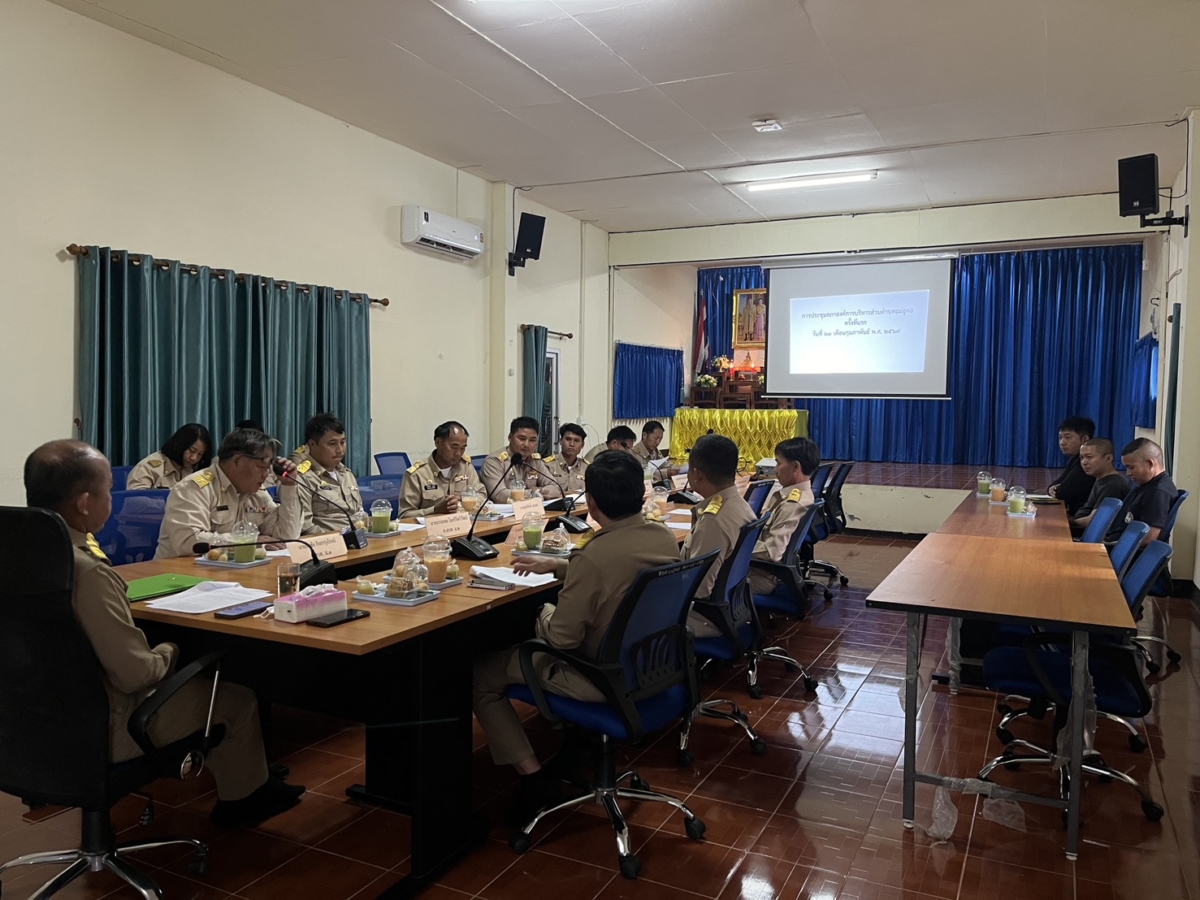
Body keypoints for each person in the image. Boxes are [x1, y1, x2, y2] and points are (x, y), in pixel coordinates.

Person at [24, 440, 304, 827]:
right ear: (85, 503)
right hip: (102, 727)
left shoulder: (20, 555)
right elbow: (136, 674)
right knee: (238, 698)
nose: (112, 500)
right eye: (109, 491)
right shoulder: (87, 573)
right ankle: (245, 801)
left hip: (27, 724)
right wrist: (172, 648)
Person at [476, 451, 680, 821]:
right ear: (641, 494)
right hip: (649, 665)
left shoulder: (595, 556)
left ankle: (534, 779)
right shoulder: (663, 537)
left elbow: (561, 640)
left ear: (591, 502)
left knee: (482, 674)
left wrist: (541, 611)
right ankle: (577, 743)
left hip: (596, 676)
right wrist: (559, 566)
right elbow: (619, 570)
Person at [155, 427, 302, 559]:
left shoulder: (256, 493)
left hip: (228, 572)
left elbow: (287, 536)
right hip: (178, 574)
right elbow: (187, 542)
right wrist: (245, 542)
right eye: (261, 467)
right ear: (237, 461)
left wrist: (289, 485)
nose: (266, 475)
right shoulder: (194, 488)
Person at [680, 434, 755, 638]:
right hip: (732, 607)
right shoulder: (739, 504)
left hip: (704, 616)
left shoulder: (713, 522)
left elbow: (698, 589)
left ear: (696, 474)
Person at [748, 437, 819, 595]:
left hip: (759, 576)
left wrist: (736, 546)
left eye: (778, 463)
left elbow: (772, 551)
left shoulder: (792, 504)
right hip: (761, 571)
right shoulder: (802, 495)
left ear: (795, 467)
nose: (775, 470)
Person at [290, 413, 363, 534]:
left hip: (359, 537)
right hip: (328, 541)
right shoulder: (301, 478)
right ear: (313, 444)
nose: (340, 450)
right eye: (332, 444)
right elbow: (305, 528)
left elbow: (360, 514)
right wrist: (336, 539)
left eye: (343, 442)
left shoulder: (346, 474)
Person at [398, 420, 483, 517]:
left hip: (464, 524)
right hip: (431, 526)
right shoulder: (417, 474)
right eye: (454, 447)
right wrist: (435, 510)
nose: (458, 453)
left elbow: (482, 496)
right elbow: (405, 515)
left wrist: (464, 498)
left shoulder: (466, 467)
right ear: (438, 443)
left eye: (463, 448)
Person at [1106, 438, 1178, 546]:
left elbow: (1149, 538)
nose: (1128, 473)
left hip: (1122, 551)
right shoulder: (1146, 484)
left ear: (1150, 463)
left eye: (1131, 467)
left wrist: (1110, 545)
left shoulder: (1158, 492)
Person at [480, 416, 562, 502]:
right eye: (522, 439)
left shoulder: (535, 461)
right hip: (506, 509)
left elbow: (556, 486)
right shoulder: (494, 461)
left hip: (532, 508)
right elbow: (499, 495)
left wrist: (541, 491)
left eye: (532, 440)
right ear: (510, 437)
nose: (526, 444)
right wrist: (532, 493)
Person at [1069, 438, 1131, 537]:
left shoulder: (1113, 486)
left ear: (1108, 459)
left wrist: (1068, 521)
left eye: (1089, 457)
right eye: (1081, 458)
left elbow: (1092, 522)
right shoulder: (1100, 478)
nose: (1084, 462)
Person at [126, 424, 214, 490]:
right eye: (192, 450)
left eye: (200, 454)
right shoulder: (148, 467)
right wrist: (172, 502)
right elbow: (134, 500)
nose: (194, 458)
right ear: (179, 444)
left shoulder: (198, 470)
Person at [1047, 416, 1096, 517]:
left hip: (1079, 519)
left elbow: (1062, 492)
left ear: (1085, 439)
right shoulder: (1075, 459)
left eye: (1068, 437)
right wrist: (1052, 488)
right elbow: (1056, 484)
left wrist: (1056, 489)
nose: (1062, 442)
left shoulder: (1087, 463)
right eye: (1060, 438)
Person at [541, 423, 589, 494]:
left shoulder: (587, 468)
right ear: (560, 441)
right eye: (568, 439)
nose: (572, 444)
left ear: (582, 445)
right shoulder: (546, 465)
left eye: (576, 440)